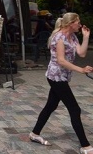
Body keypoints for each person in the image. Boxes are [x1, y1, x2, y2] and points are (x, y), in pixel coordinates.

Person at [29, 13, 93, 153]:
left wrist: (86, 37)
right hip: (55, 76)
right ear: (71, 24)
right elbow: (61, 60)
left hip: (63, 77)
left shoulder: (73, 36)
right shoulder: (59, 37)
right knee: (75, 109)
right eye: (78, 22)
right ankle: (85, 146)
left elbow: (81, 53)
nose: (80, 24)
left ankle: (34, 134)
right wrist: (81, 69)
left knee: (51, 106)